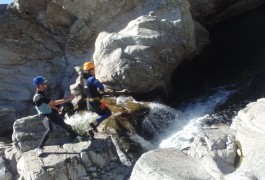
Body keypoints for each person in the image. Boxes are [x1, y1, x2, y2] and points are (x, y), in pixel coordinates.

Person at [33, 76, 82, 156]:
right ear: (39, 85)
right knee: (49, 129)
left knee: (64, 124)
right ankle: (40, 148)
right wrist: (68, 98)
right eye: (44, 83)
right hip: (44, 115)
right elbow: (54, 102)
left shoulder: (42, 93)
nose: (46, 84)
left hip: (49, 112)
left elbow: (48, 104)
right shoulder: (38, 97)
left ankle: (75, 136)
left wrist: (56, 109)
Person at [82, 62, 112, 140]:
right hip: (95, 102)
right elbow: (101, 87)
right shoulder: (91, 79)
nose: (94, 70)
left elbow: (90, 90)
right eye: (94, 69)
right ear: (91, 70)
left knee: (101, 115)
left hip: (89, 103)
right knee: (108, 113)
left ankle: (91, 131)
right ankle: (92, 124)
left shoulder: (84, 80)